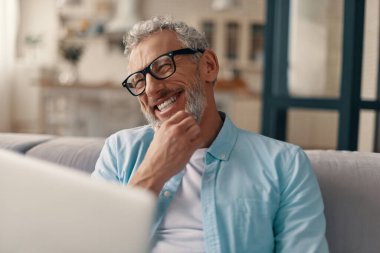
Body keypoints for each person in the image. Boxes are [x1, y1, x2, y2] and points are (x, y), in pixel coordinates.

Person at [91, 16, 329, 253]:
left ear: (208, 66)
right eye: (138, 81)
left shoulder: (285, 164)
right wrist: (153, 171)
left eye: (163, 66)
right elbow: (91, 243)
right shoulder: (119, 151)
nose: (152, 88)